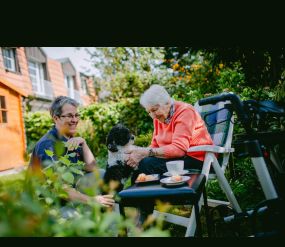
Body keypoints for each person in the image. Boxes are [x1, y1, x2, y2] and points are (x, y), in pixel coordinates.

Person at [125, 84, 214, 224]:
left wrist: (145, 153)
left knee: (146, 164)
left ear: (167, 103)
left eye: (154, 110)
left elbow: (179, 149)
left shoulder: (185, 111)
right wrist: (138, 154)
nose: (152, 116)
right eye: (149, 112)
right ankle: (142, 213)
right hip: (178, 158)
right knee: (139, 166)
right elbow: (154, 145)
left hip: (197, 158)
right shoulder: (159, 118)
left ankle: (143, 218)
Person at [29, 96, 115, 211]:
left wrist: (83, 143)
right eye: (69, 116)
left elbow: (92, 167)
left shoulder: (70, 139)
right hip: (50, 204)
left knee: (101, 175)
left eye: (76, 115)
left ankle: (113, 223)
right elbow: (59, 189)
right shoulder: (48, 145)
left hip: (71, 193)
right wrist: (92, 200)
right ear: (56, 118)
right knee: (78, 214)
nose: (75, 120)